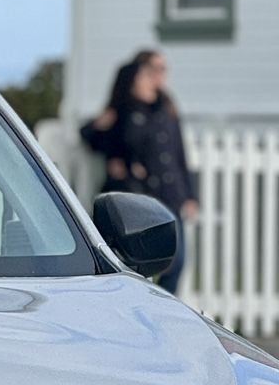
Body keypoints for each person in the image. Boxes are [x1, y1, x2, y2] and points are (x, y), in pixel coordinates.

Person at [80, 49, 199, 296]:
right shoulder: (125, 109)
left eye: (162, 69)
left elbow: (179, 154)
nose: (159, 75)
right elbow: (97, 138)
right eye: (153, 70)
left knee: (176, 262)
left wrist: (190, 194)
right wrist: (121, 162)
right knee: (135, 265)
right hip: (140, 194)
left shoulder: (165, 108)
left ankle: (162, 305)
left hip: (169, 194)